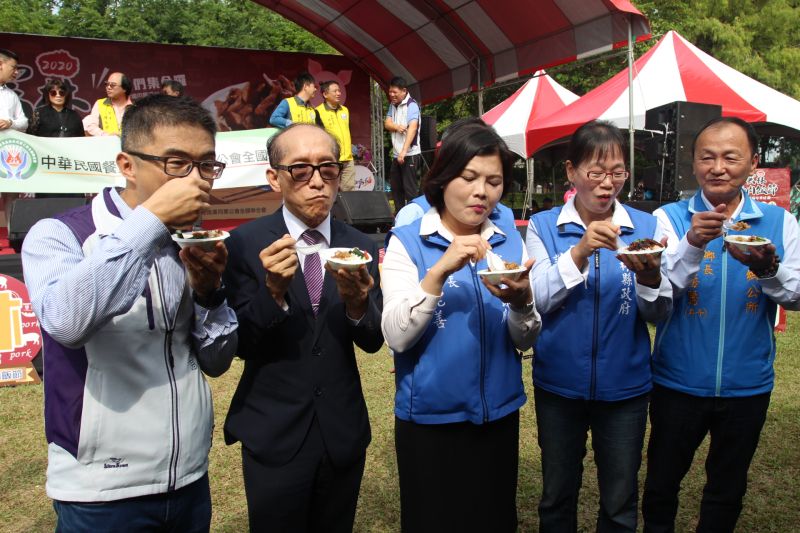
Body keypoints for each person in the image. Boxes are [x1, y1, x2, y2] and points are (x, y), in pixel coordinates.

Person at [21, 94, 238, 532]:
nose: (197, 181)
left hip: (189, 476)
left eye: (207, 166)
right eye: (177, 163)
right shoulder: (60, 234)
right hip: (101, 491)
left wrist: (209, 293)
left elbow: (215, 362)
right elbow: (66, 320)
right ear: (127, 164)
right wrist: (149, 222)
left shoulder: (191, 242)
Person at [222, 123, 384, 532]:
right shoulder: (244, 244)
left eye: (328, 169)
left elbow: (372, 340)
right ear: (273, 177)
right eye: (301, 170)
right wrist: (272, 292)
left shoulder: (359, 245)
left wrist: (358, 302)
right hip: (274, 430)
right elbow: (237, 343)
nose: (317, 182)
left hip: (341, 428)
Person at [381, 120, 541, 532]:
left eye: (493, 181)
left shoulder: (507, 241)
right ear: (443, 176)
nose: (481, 192)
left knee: (492, 519)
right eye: (468, 177)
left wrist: (523, 302)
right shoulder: (408, 240)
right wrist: (438, 272)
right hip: (430, 422)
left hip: (498, 414)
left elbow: (524, 337)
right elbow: (396, 336)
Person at [642, 117, 800, 533]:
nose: (718, 167)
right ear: (693, 164)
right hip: (677, 381)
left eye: (731, 157)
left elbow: (797, 296)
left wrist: (768, 270)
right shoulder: (669, 218)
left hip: (748, 384)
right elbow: (658, 297)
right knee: (660, 485)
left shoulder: (778, 221)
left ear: (753, 163)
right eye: (706, 157)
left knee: (727, 490)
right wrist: (693, 243)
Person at [525, 120, 672, 532]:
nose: (607, 184)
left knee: (620, 500)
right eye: (596, 172)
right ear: (572, 171)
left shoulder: (647, 228)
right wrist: (579, 251)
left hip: (625, 388)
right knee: (556, 494)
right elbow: (537, 299)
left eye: (618, 172)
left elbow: (660, 313)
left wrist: (650, 279)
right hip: (559, 385)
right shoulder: (543, 226)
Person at [385, 76, 422, 214]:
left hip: (409, 154)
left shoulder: (411, 105)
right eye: (390, 92)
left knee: (410, 190)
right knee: (396, 189)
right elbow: (387, 124)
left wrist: (404, 152)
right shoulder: (392, 105)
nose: (391, 95)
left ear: (404, 91)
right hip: (397, 154)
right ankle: (400, 218)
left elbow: (412, 128)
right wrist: (396, 127)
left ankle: (414, 219)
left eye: (394, 92)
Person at [315, 80, 355, 191]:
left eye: (339, 90)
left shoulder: (345, 110)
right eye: (335, 91)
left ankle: (346, 209)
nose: (339, 93)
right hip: (331, 159)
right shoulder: (317, 112)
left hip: (347, 159)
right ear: (325, 94)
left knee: (349, 191)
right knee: (329, 190)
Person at [83, 71, 133, 136]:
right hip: (107, 144)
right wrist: (107, 135)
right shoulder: (100, 104)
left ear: (124, 89)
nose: (108, 87)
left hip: (129, 145)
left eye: (113, 85)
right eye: (107, 84)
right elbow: (89, 126)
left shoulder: (134, 108)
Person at [0, 48, 28, 132]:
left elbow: (24, 123)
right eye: (14, 68)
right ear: (0, 64)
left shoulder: (12, 94)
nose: (16, 72)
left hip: (7, 143)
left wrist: (10, 123)